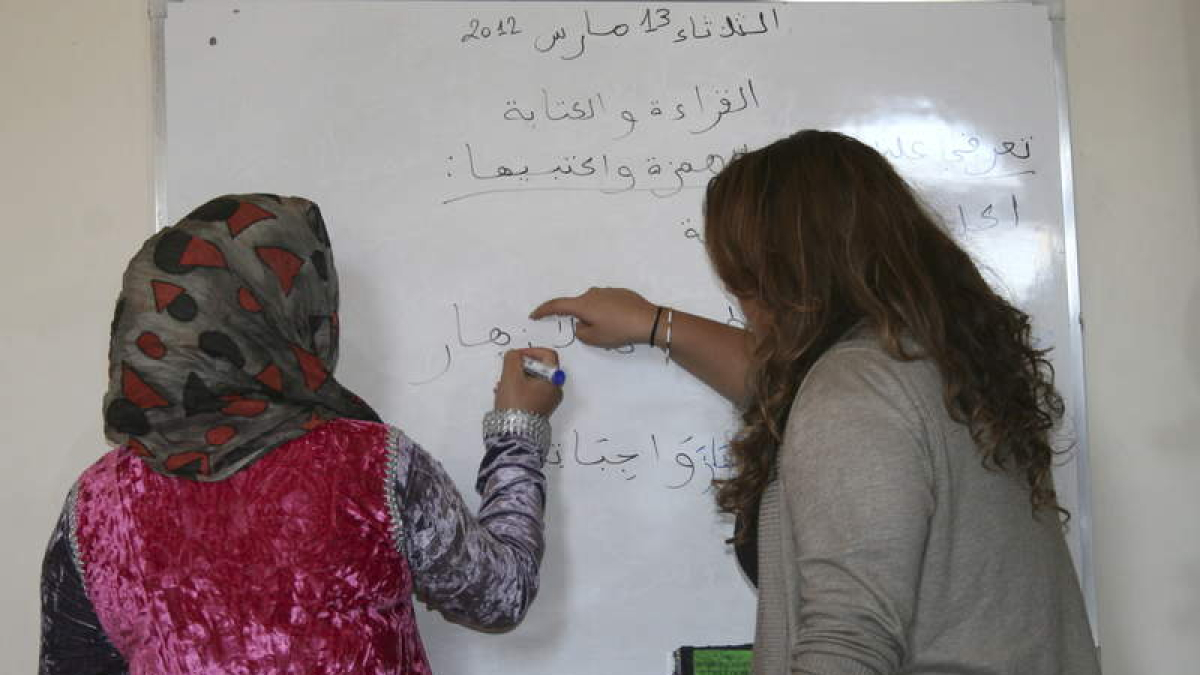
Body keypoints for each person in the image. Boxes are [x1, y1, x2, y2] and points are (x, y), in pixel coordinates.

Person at [533, 130, 1100, 674]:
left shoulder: (856, 391)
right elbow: (786, 391)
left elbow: (849, 639)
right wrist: (654, 323)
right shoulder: (931, 363)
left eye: (742, 275)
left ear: (786, 273)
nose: (737, 295)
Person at [39, 194, 562, 674]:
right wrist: (519, 429)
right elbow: (499, 595)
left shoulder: (96, 506)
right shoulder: (370, 467)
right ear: (285, 321)